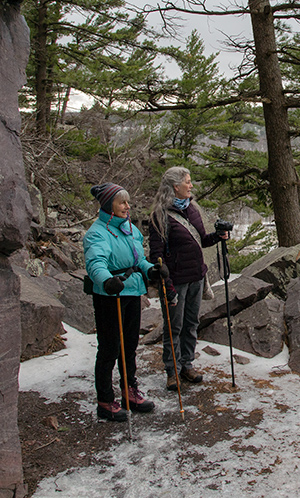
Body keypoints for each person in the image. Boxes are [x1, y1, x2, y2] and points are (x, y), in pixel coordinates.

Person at [83, 182, 162, 422]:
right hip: (110, 296)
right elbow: (95, 262)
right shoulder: (97, 233)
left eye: (127, 202)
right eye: (122, 202)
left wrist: (152, 271)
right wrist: (106, 280)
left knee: (129, 346)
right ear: (109, 206)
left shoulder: (130, 229)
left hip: (131, 293)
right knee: (109, 348)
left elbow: (139, 260)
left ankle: (129, 391)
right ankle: (105, 400)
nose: (128, 206)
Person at [148, 166, 228, 391]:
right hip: (175, 280)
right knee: (174, 327)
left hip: (196, 277)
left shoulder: (192, 209)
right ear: (176, 186)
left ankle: (186, 364)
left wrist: (217, 237)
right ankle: (172, 371)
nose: (191, 185)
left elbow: (201, 240)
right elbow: (157, 255)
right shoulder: (160, 215)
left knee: (191, 324)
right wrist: (167, 285)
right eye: (188, 182)